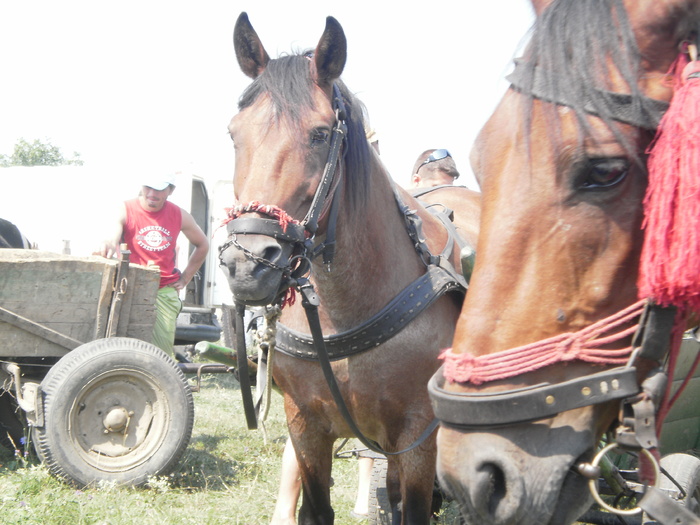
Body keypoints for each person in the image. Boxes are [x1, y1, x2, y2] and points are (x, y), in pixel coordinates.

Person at [95, 173, 209, 355]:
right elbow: (113, 231)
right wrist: (108, 242)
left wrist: (186, 277)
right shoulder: (125, 209)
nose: (152, 193)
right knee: (118, 347)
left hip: (162, 291)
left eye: (159, 189)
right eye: (148, 187)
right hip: (127, 288)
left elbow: (203, 244)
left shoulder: (179, 215)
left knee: (160, 353)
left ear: (170, 190)